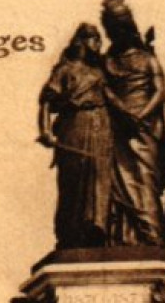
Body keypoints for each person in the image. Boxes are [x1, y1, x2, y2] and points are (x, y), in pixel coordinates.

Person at [100, 0, 165, 249]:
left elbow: (159, 91)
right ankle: (120, 240)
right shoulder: (106, 62)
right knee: (115, 185)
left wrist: (140, 116)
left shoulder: (148, 59)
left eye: (118, 27)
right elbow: (102, 88)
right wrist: (122, 111)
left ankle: (152, 238)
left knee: (145, 181)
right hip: (116, 128)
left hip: (144, 130)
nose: (114, 33)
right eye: (110, 29)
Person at [38, 23, 114, 250]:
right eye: (94, 39)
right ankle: (70, 235)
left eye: (100, 40)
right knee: (74, 179)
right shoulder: (65, 69)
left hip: (102, 126)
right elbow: (46, 101)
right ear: (81, 41)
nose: (99, 45)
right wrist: (45, 131)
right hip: (74, 126)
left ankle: (97, 228)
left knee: (99, 175)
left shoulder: (101, 72)